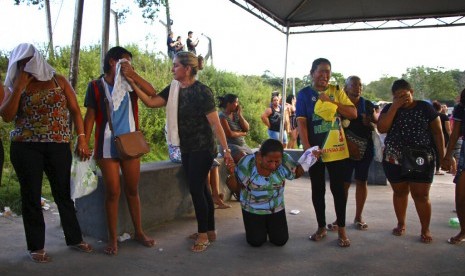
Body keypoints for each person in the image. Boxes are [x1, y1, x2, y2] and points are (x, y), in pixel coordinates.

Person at [128, 51, 234, 252]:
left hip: (203, 148)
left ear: (187, 69)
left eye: (176, 65)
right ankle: (210, 231)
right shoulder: (174, 89)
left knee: (196, 189)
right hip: (185, 147)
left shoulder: (202, 91)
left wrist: (226, 150)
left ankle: (203, 234)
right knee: (202, 189)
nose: (172, 68)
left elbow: (215, 124)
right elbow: (151, 102)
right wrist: (134, 83)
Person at [0, 43, 92, 263]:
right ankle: (36, 247)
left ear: (37, 59)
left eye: (29, 60)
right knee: (31, 196)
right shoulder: (14, 85)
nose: (26, 66)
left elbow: (75, 110)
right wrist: (20, 87)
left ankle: (74, 238)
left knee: (63, 194)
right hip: (25, 147)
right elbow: (6, 116)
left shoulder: (57, 80)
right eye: (21, 63)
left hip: (58, 145)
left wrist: (82, 138)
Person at [83, 46, 156, 255]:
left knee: (132, 190)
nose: (128, 66)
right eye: (125, 62)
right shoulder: (96, 86)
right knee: (113, 192)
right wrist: (84, 142)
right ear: (112, 62)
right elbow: (90, 116)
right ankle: (113, 239)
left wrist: (133, 75)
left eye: (130, 63)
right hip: (106, 144)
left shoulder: (130, 85)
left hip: (131, 142)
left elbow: (151, 92)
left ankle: (139, 232)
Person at [295, 58, 357, 247]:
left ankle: (342, 230)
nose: (325, 75)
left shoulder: (336, 91)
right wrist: (308, 149)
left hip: (336, 150)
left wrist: (332, 102)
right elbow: (302, 122)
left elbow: (353, 113)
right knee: (318, 190)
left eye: (328, 71)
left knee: (339, 190)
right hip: (316, 151)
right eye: (321, 71)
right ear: (312, 72)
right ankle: (321, 227)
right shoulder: (304, 94)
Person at [377, 79, 444, 244]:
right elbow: (382, 128)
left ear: (411, 92)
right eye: (397, 96)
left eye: (405, 95)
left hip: (420, 156)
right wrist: (394, 107)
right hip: (394, 156)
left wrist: (443, 156)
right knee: (399, 192)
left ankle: (425, 228)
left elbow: (437, 133)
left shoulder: (425, 108)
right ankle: (401, 223)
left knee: (421, 195)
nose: (402, 99)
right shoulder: (390, 108)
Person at [226, 139, 304, 247]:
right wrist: (232, 174)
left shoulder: (285, 159)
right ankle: (259, 226)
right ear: (259, 157)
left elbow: (295, 174)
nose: (273, 166)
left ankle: (266, 226)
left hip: (276, 207)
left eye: (277, 162)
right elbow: (236, 189)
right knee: (256, 242)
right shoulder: (247, 163)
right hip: (252, 208)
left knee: (280, 241)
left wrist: (308, 161)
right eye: (269, 161)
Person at [327, 76, 377, 231]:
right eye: (354, 85)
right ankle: (339, 219)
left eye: (360, 85)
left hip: (365, 149)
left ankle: (358, 217)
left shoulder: (367, 104)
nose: (358, 88)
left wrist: (370, 122)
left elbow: (377, 123)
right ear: (345, 88)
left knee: (362, 181)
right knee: (344, 184)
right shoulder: (340, 103)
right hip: (343, 150)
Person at [442, 88, 465, 244]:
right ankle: (463, 231)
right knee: (461, 196)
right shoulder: (461, 107)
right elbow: (455, 133)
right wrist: (447, 156)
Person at [218, 93, 253, 163]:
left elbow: (246, 128)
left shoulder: (236, 114)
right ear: (229, 104)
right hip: (229, 146)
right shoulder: (222, 116)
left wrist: (240, 115)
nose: (237, 105)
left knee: (253, 159)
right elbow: (229, 134)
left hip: (242, 145)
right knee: (245, 160)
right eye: (236, 102)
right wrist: (242, 133)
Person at [433, 101, 450, 175]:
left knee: (434, 151)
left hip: (433, 136)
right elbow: (448, 129)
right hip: (443, 136)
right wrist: (450, 137)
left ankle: (434, 167)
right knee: (440, 151)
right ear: (440, 108)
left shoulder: (432, 115)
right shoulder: (444, 116)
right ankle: (438, 168)